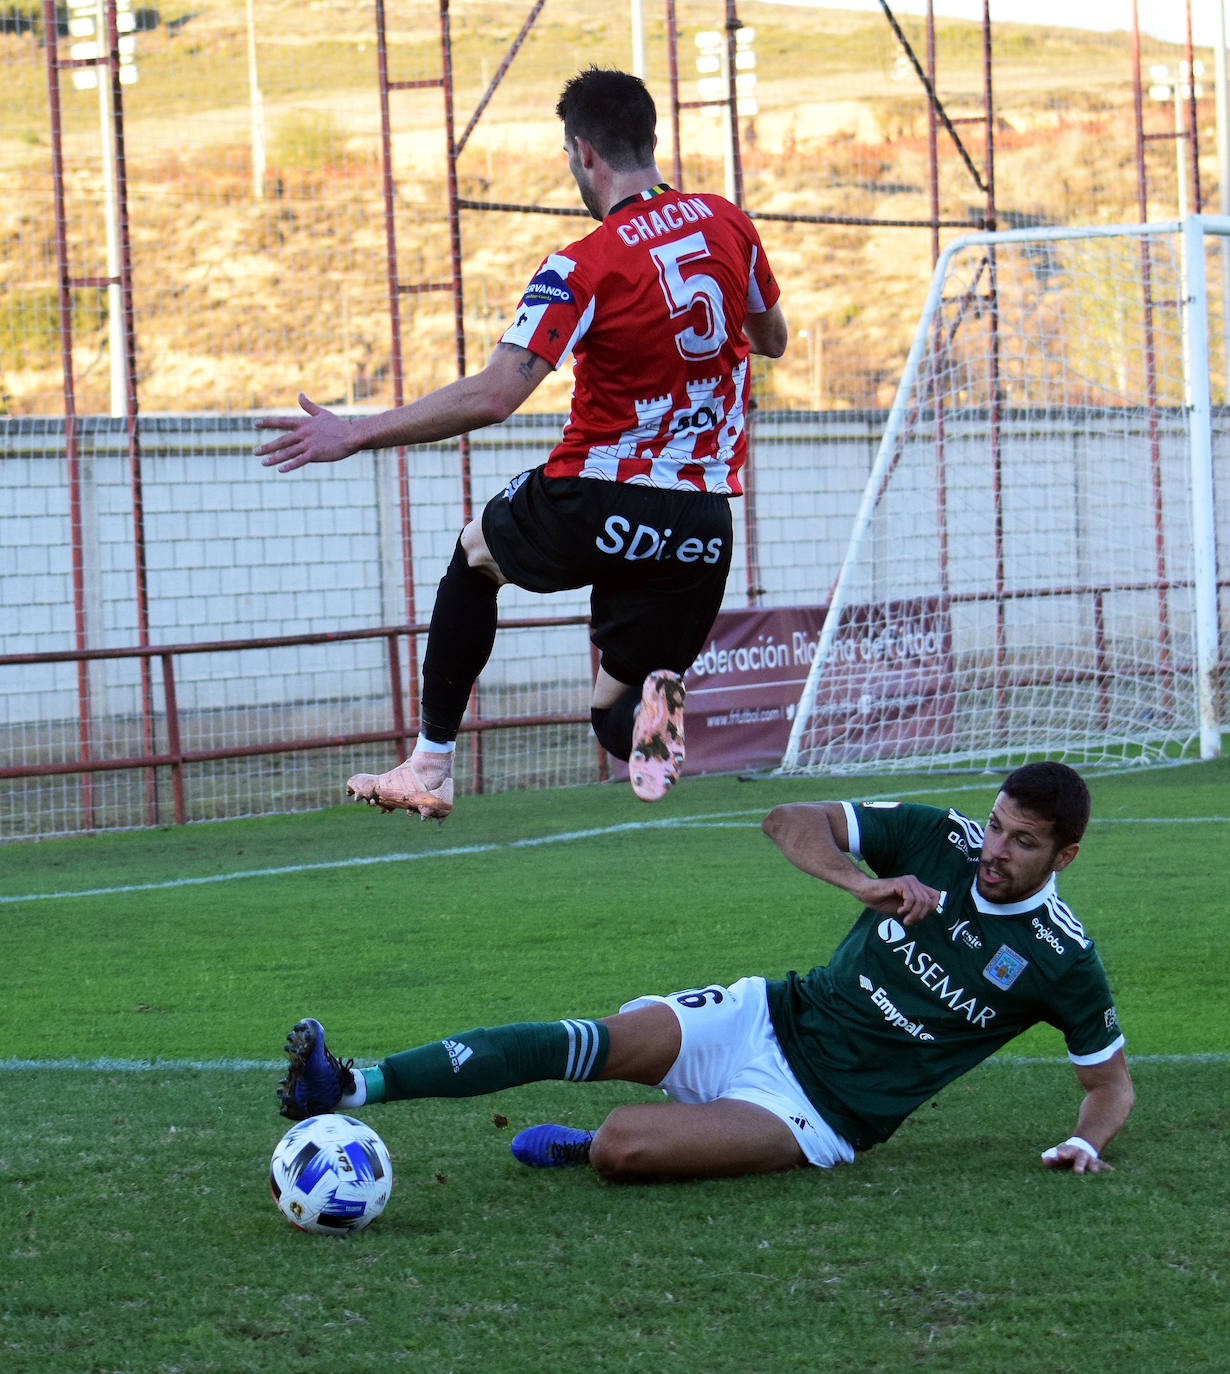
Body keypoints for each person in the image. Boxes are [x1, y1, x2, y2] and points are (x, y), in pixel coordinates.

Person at [253, 67, 788, 819]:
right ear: (653, 137)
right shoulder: (730, 223)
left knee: (473, 557)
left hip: (600, 492)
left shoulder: (583, 263)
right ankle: (660, 687)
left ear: (583, 154)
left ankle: (431, 765)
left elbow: (497, 394)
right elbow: (773, 339)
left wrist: (359, 432)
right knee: (613, 713)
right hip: (703, 519)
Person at [276, 761, 1134, 1180]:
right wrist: (863, 882)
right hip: (771, 1014)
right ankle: (349, 1087)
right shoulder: (935, 839)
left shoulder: (1062, 959)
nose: (995, 851)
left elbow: (1111, 1085)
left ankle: (595, 1144)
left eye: (1022, 842)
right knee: (586, 1040)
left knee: (620, 1147)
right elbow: (786, 818)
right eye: (996, 827)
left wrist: (1083, 1141)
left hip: (819, 1112)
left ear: (1066, 855)